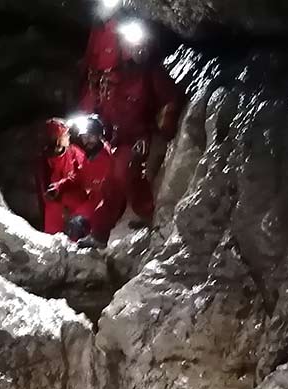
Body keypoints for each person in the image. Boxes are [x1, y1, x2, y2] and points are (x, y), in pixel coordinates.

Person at [98, 19, 181, 221]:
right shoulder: (117, 74)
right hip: (119, 135)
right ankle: (106, 228)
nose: (135, 50)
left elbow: (170, 97)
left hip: (141, 135)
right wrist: (103, 125)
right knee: (110, 177)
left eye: (139, 45)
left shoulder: (153, 73)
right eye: (131, 45)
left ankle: (144, 216)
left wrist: (167, 118)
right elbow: (109, 107)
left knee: (127, 172)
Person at [68, 115, 125, 247]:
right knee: (72, 219)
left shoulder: (105, 159)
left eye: (91, 136)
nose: (87, 140)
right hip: (93, 200)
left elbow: (105, 195)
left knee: (77, 224)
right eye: (84, 137)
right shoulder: (91, 154)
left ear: (99, 136)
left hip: (103, 205)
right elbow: (81, 177)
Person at [38, 119, 88, 237]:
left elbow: (84, 173)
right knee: (54, 239)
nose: (69, 136)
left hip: (76, 203)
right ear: (57, 139)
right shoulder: (44, 162)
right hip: (55, 209)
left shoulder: (73, 152)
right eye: (65, 134)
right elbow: (44, 191)